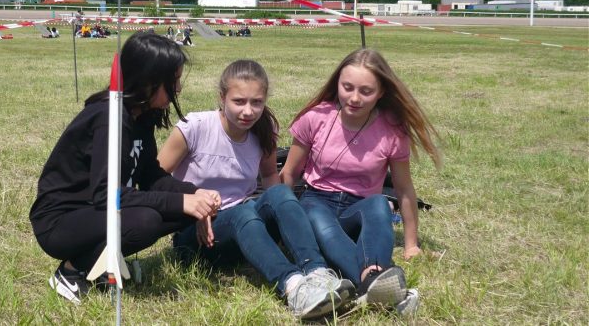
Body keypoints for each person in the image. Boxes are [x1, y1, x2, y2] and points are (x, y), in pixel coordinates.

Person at [29, 32, 221, 305]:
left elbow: (150, 176)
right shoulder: (109, 119)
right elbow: (108, 196)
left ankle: (100, 268)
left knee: (186, 210)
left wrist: (196, 194)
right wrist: (181, 200)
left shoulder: (142, 116)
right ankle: (72, 271)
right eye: (173, 81)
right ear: (148, 80)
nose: (178, 89)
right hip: (61, 220)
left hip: (96, 211)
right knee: (146, 221)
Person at [158, 60, 355, 319]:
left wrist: (283, 215)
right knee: (243, 214)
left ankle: (317, 273)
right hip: (195, 235)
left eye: (257, 102)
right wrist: (194, 204)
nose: (248, 111)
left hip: (246, 222)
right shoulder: (194, 127)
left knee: (281, 192)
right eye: (239, 101)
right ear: (221, 97)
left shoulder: (263, 131)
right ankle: (293, 287)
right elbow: (155, 181)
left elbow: (271, 174)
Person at [280, 48, 442, 316]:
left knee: (380, 204)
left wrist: (411, 245)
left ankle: (375, 277)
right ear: (337, 85)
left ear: (381, 93)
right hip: (316, 201)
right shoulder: (315, 117)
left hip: (360, 207)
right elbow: (289, 173)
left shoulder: (392, 130)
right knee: (325, 227)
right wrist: (284, 220)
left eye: (366, 91)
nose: (354, 98)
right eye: (347, 87)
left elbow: (403, 189)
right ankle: (379, 285)